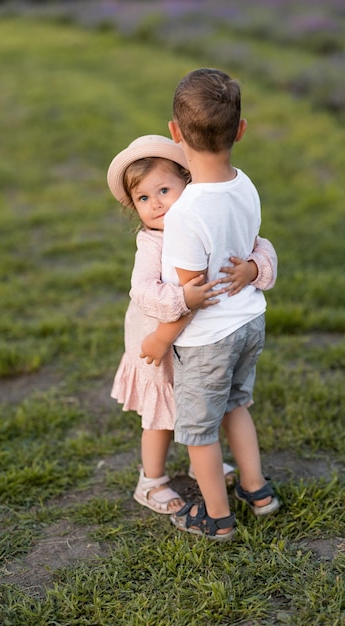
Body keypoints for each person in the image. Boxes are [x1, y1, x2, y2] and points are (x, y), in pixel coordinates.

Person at [140, 69, 280, 541]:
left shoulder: (184, 214)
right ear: (240, 130)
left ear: (175, 134)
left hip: (208, 340)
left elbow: (189, 296)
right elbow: (253, 245)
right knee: (237, 405)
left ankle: (217, 519)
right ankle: (257, 491)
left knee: (199, 431)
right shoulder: (247, 185)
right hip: (250, 322)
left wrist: (161, 337)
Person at [107, 134, 278, 516]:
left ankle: (201, 465)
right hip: (158, 343)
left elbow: (259, 245)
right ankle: (151, 481)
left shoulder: (203, 217)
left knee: (203, 406)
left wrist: (252, 269)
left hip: (197, 343)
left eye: (164, 189)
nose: (156, 204)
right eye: (144, 199)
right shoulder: (151, 243)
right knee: (163, 415)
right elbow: (144, 291)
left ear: (187, 181)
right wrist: (184, 298)